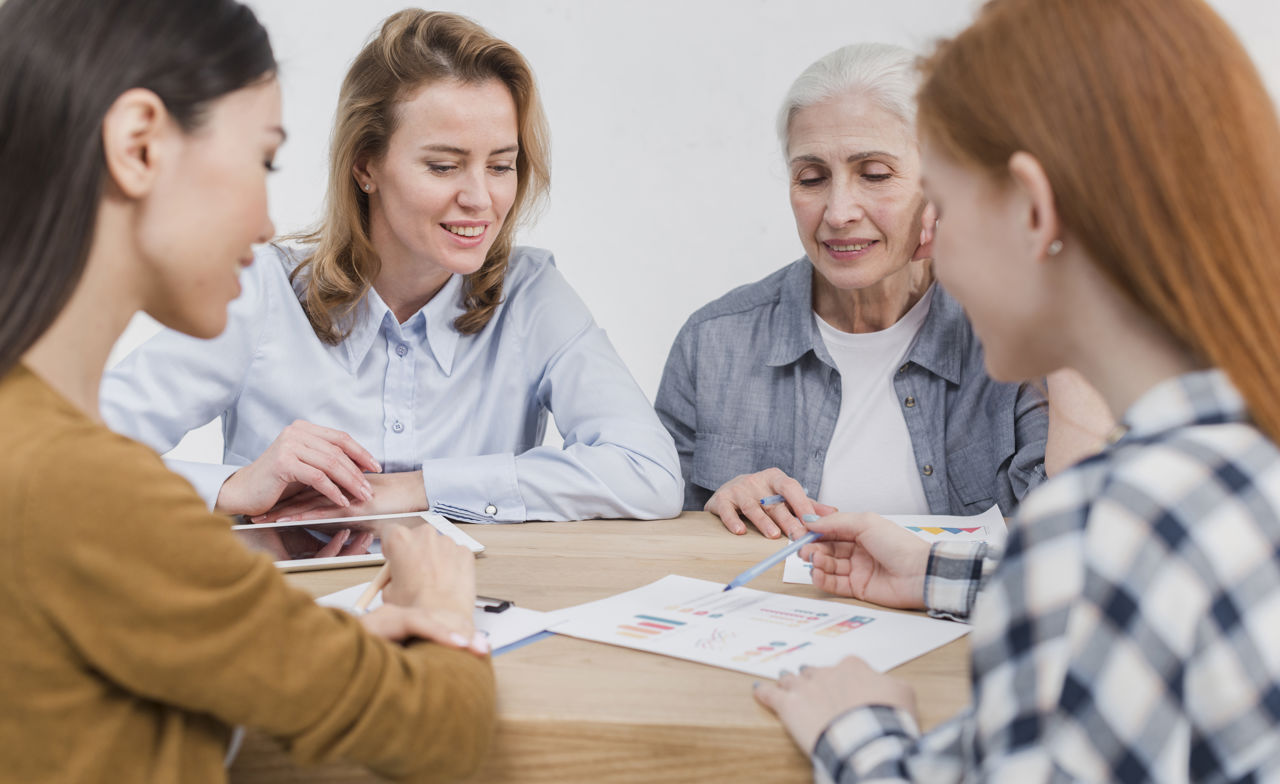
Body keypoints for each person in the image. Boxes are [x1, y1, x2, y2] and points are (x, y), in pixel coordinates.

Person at [755, 0, 1280, 779]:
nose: (931, 247)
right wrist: (935, 572)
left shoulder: (1104, 525)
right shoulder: (1231, 458)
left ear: (1034, 212)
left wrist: (859, 733)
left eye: (943, 204)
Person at [0, 0, 497, 780]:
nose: (268, 224)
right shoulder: (83, 488)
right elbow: (441, 730)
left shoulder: (32, 444)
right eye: (262, 161)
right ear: (138, 146)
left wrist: (306, 646)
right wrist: (438, 605)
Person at [100, 9, 682, 525]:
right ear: (365, 167)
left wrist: (414, 490)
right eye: (444, 166)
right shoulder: (264, 290)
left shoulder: (531, 295)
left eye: (501, 166)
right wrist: (229, 486)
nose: (481, 199)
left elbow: (649, 473)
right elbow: (73, 450)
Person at [655, 44, 1068, 542]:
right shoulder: (713, 342)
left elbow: (1081, 530)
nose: (837, 211)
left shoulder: (1015, 332)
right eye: (812, 178)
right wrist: (715, 510)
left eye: (874, 174)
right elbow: (662, 534)